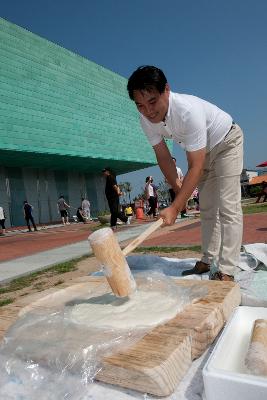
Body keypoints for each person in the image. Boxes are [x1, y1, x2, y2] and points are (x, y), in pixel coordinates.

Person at [127, 65, 243, 281]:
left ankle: (227, 269)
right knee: (208, 208)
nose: (148, 111)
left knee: (228, 205)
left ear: (167, 90)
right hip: (202, 152)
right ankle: (207, 260)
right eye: (140, 105)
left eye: (152, 102)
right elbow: (163, 157)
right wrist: (178, 189)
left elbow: (194, 166)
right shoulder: (145, 119)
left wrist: (175, 207)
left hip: (227, 142)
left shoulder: (187, 111)